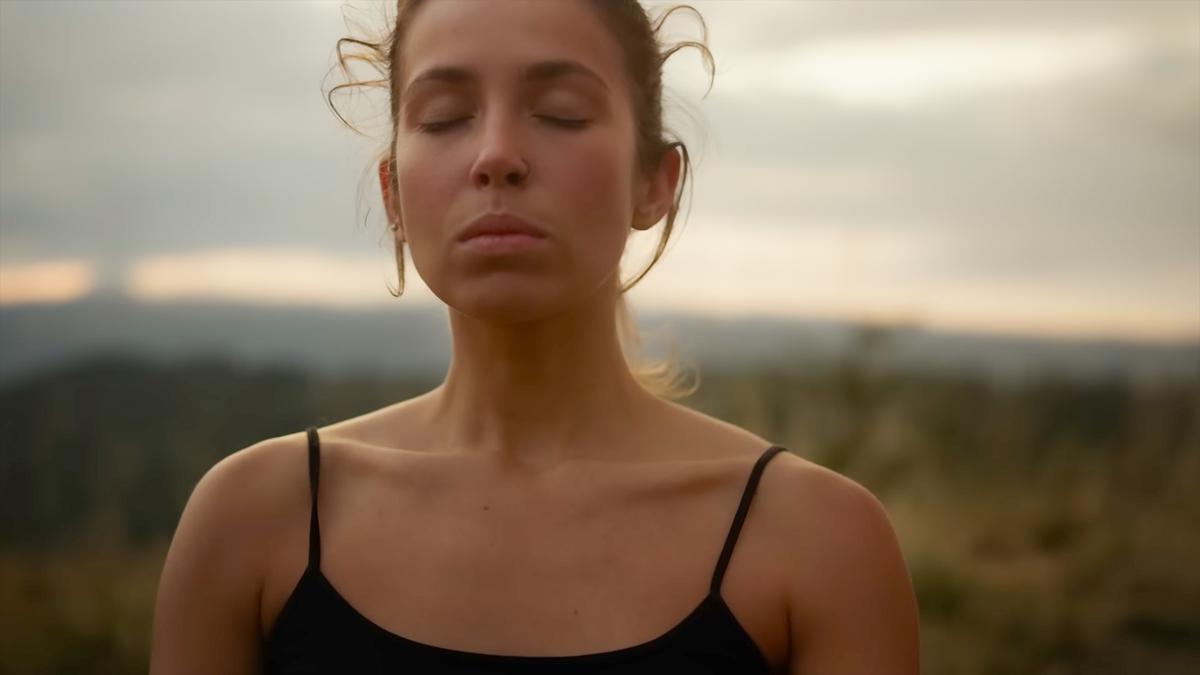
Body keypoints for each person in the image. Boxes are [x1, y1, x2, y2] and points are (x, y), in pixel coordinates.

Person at [149, 1, 920, 673]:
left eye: (560, 112)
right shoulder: (254, 521)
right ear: (392, 192)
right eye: (445, 117)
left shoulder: (816, 544)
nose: (496, 158)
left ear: (655, 181)